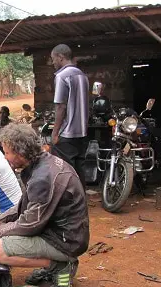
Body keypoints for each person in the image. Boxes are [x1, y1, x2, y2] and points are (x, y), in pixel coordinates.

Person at [0, 124, 89, 287]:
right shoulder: (42, 163)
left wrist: (2, 230)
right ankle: (52, 263)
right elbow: (25, 205)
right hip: (61, 231)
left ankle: (59, 265)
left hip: (66, 241)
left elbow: (30, 224)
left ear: (20, 153)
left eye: (7, 153)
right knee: (3, 230)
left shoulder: (42, 177)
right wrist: (1, 221)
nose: (5, 158)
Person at [50, 44, 90, 189]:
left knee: (63, 172)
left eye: (53, 59)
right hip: (82, 133)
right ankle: (81, 202)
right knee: (79, 171)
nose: (53, 62)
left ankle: (67, 205)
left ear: (60, 57)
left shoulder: (61, 76)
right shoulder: (82, 76)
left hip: (67, 134)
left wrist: (54, 133)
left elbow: (61, 106)